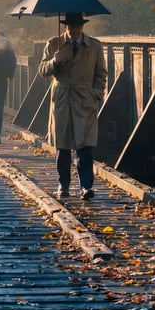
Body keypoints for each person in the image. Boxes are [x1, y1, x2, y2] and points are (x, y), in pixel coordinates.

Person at [38, 12, 107, 200]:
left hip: (84, 99)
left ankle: (86, 186)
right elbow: (42, 70)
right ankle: (64, 185)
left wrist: (95, 95)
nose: (74, 30)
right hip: (62, 98)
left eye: (77, 26)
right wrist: (54, 61)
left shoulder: (94, 46)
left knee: (85, 146)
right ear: (66, 26)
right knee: (63, 146)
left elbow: (101, 73)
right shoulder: (54, 43)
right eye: (71, 27)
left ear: (83, 26)